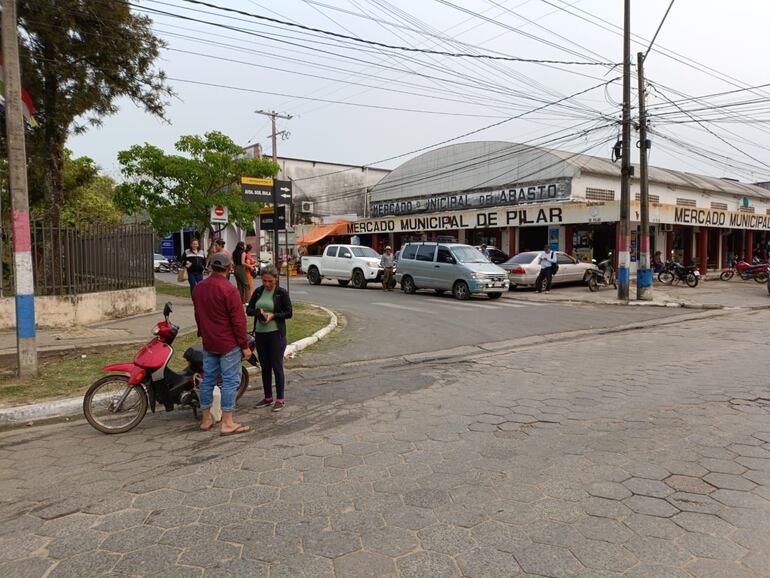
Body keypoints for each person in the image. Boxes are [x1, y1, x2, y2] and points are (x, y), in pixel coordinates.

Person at [192, 252, 251, 436]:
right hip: (228, 344)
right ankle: (227, 422)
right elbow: (238, 322)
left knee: (208, 380)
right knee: (230, 382)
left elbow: (198, 315)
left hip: (209, 342)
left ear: (210, 266)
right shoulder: (229, 290)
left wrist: (203, 333)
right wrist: (245, 346)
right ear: (229, 268)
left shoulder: (199, 288)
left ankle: (206, 419)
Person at [246, 265, 292, 412]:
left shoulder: (281, 293)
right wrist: (258, 312)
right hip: (260, 333)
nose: (266, 284)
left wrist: (273, 315)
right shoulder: (259, 291)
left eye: (270, 281)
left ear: (276, 279)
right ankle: (267, 397)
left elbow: (289, 312)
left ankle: (280, 398)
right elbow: (249, 309)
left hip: (276, 334)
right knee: (264, 366)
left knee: (276, 366)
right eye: (264, 280)